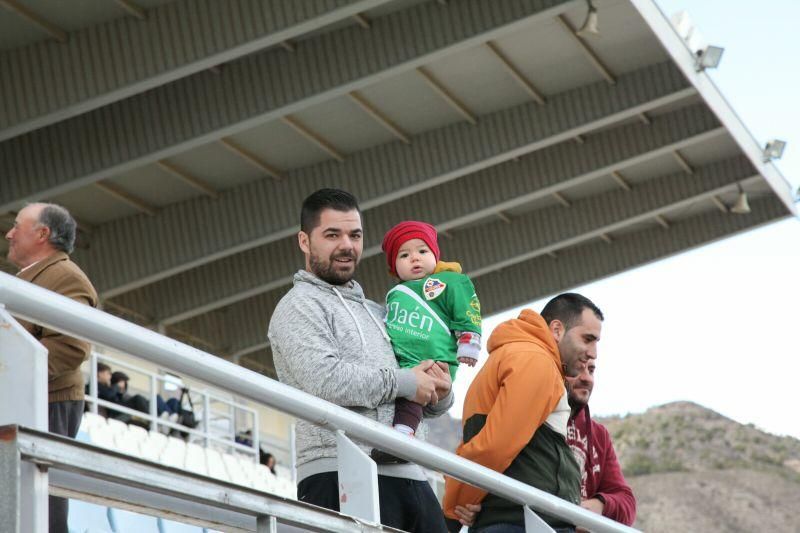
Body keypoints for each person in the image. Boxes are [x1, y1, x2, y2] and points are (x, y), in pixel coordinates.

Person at [268, 188, 453, 532]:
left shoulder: (381, 312)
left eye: (355, 235)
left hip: (413, 473)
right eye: (332, 235)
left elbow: (422, 396)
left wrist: (439, 388)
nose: (347, 245)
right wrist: (409, 381)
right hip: (336, 473)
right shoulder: (297, 306)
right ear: (304, 242)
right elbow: (326, 380)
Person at [443, 293, 604, 532]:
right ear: (557, 330)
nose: (593, 352)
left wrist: (468, 499)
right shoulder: (536, 361)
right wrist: (456, 507)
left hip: (517, 517)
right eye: (587, 339)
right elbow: (496, 446)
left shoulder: (521, 355)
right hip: (524, 521)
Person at [452, 342, 637, 530]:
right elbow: (481, 457)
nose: (587, 378)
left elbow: (627, 502)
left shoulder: (599, 435)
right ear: (558, 368)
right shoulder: (525, 411)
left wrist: (594, 508)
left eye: (591, 370)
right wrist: (474, 504)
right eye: (578, 369)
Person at [5, 202, 98, 533]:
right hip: (26, 400)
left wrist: (13, 372)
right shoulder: (33, 277)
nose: (9, 234)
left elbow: (72, 347)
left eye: (17, 226)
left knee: (42, 501)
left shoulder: (66, 277)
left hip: (48, 401)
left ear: (42, 234)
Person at [372, 221, 481, 463]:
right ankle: (402, 436)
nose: (415, 259)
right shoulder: (398, 293)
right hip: (403, 360)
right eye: (404, 255)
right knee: (407, 390)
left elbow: (465, 308)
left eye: (422, 251)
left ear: (434, 254)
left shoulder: (448, 282)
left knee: (414, 395)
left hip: (435, 359)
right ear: (393, 267)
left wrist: (468, 342)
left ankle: (402, 436)